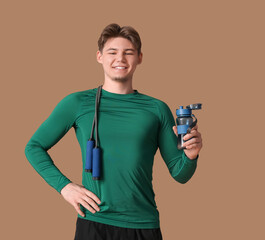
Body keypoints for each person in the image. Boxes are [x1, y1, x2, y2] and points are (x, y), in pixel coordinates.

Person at [24, 23, 203, 240]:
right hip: (95, 222)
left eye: (128, 53)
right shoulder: (77, 103)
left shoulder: (156, 109)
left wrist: (191, 156)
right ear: (99, 56)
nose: (120, 59)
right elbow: (33, 147)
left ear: (139, 58)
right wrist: (65, 187)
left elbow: (180, 173)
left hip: (143, 225)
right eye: (112, 52)